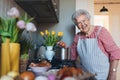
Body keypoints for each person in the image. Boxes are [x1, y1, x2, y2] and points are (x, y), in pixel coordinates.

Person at [58, 9, 120, 80]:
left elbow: (115, 52)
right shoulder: (77, 37)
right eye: (79, 23)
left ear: (89, 19)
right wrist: (65, 47)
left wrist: (113, 73)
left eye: (84, 21)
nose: (83, 25)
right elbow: (73, 56)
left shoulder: (101, 32)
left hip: (102, 77)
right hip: (86, 77)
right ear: (77, 26)